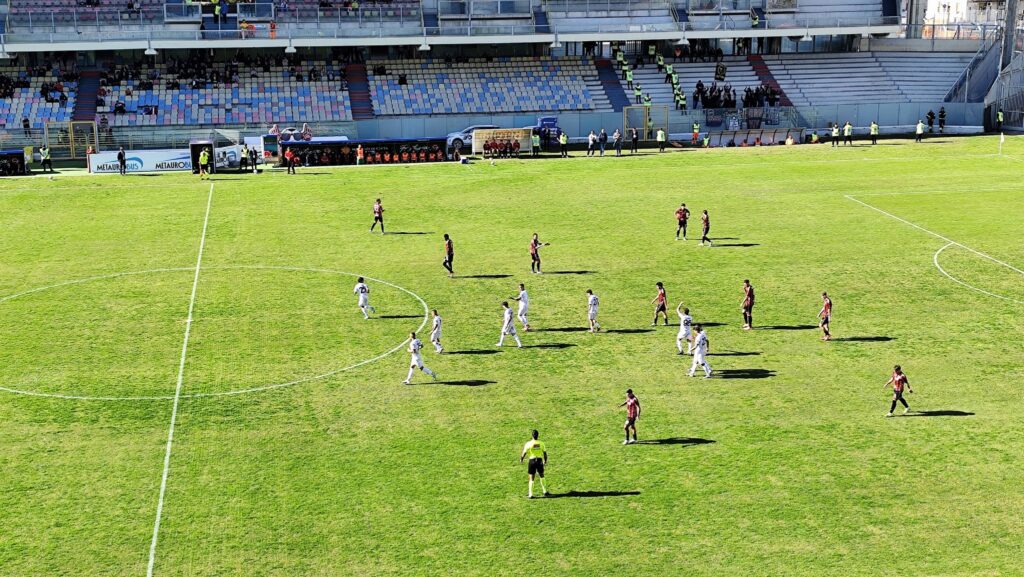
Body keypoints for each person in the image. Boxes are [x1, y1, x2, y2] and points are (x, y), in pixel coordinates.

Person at [519, 430, 548, 499]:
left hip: (532, 461)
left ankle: (531, 494)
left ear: (532, 435)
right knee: (542, 475)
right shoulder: (541, 443)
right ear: (538, 435)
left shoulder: (528, 444)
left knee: (531, 478)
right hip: (539, 461)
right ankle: (545, 491)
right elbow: (545, 453)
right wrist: (545, 461)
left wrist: (521, 459)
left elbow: (524, 453)